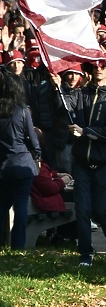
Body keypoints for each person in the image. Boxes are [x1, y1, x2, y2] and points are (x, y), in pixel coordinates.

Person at [51, 55, 106, 269]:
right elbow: (64, 106)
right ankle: (85, 253)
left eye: (104, 66)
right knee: (82, 210)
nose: (99, 70)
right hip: (81, 163)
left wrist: (86, 132)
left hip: (104, 163)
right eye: (96, 66)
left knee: (104, 211)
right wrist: (59, 87)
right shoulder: (81, 93)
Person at [0, 72, 41, 249]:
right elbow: (33, 140)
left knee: (2, 205)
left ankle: (2, 242)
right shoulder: (23, 111)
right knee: (21, 205)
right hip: (23, 163)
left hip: (3, 165)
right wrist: (37, 156)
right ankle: (18, 244)